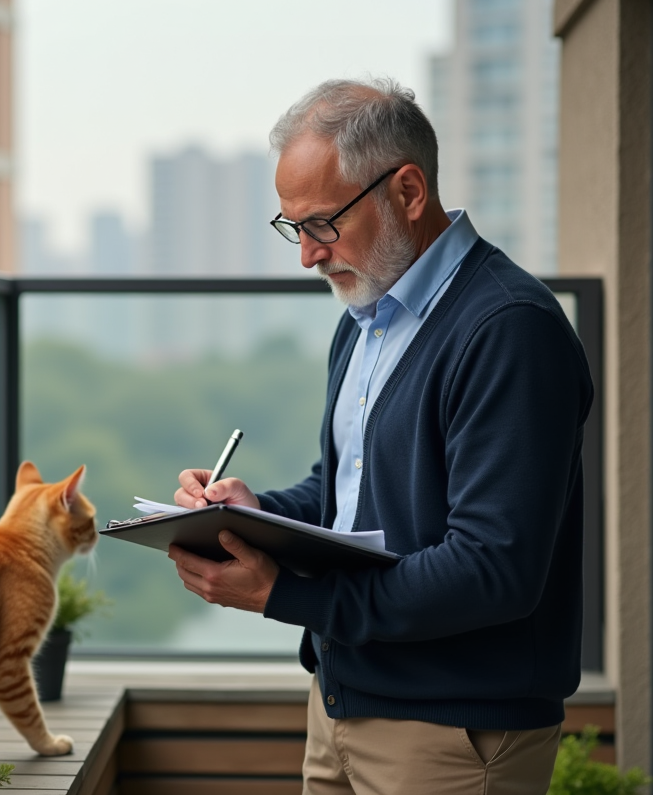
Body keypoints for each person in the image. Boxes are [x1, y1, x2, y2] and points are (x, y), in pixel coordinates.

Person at [168, 77, 593, 795]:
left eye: (321, 225)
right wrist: (254, 513)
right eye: (292, 227)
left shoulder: (509, 329)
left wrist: (285, 596)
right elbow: (352, 492)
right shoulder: (364, 320)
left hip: (453, 739)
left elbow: (494, 570)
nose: (306, 255)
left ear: (408, 192)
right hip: (341, 709)